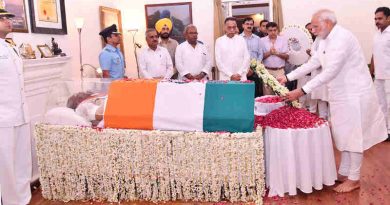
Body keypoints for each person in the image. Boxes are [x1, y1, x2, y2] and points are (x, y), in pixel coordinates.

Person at [278, 9, 387, 193]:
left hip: (353, 94)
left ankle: (354, 178)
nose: (312, 30)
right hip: (338, 94)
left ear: (327, 23)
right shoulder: (323, 39)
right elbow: (313, 63)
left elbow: (331, 70)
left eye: (315, 26)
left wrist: (302, 90)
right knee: (342, 133)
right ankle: (345, 173)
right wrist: (288, 78)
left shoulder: (342, 37)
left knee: (353, 136)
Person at [0, 7, 32, 205]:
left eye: (8, 18)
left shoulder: (10, 46)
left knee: (22, 163)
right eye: (2, 18)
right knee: (5, 166)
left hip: (20, 113)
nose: (7, 21)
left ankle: (22, 201)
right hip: (2, 116)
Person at [371, 7, 390, 140]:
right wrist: (371, 69)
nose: (377, 21)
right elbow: (375, 53)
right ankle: (384, 130)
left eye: (380, 18)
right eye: (375, 19)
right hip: (378, 76)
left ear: (388, 18)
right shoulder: (377, 34)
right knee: (380, 103)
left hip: (389, 75)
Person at [215, 17, 250, 81]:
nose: (232, 30)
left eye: (234, 27)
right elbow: (218, 61)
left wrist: (239, 73)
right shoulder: (219, 41)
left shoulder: (241, 40)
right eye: (229, 27)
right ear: (224, 27)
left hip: (240, 77)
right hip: (226, 77)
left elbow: (246, 58)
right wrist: (230, 75)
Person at [261, 22, 289, 95]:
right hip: (266, 71)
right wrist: (270, 53)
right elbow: (260, 57)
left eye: (275, 30)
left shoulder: (283, 40)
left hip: (280, 71)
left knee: (281, 94)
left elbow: (287, 56)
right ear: (267, 31)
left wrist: (277, 53)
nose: (273, 32)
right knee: (268, 95)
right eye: (270, 30)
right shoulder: (261, 41)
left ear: (277, 30)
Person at [240, 17, 265, 97]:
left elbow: (260, 54)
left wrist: (254, 68)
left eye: (251, 24)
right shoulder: (238, 39)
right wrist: (246, 69)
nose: (249, 26)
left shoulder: (258, 39)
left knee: (256, 94)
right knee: (243, 94)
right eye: (247, 24)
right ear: (243, 25)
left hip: (255, 72)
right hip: (242, 71)